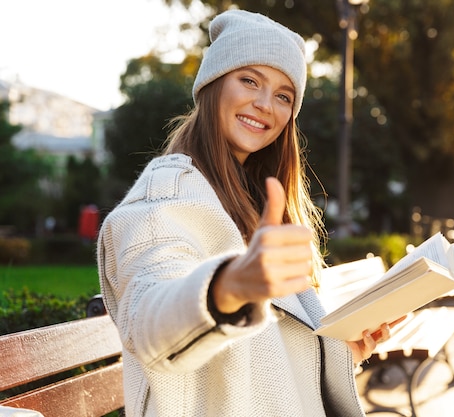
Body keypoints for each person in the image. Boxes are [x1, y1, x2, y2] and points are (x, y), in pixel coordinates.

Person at [97, 9, 398, 417]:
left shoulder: (251, 197)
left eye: (283, 95)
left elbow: (267, 356)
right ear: (213, 84)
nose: (264, 104)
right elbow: (148, 319)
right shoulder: (165, 196)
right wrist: (230, 285)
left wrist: (341, 351)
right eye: (249, 80)